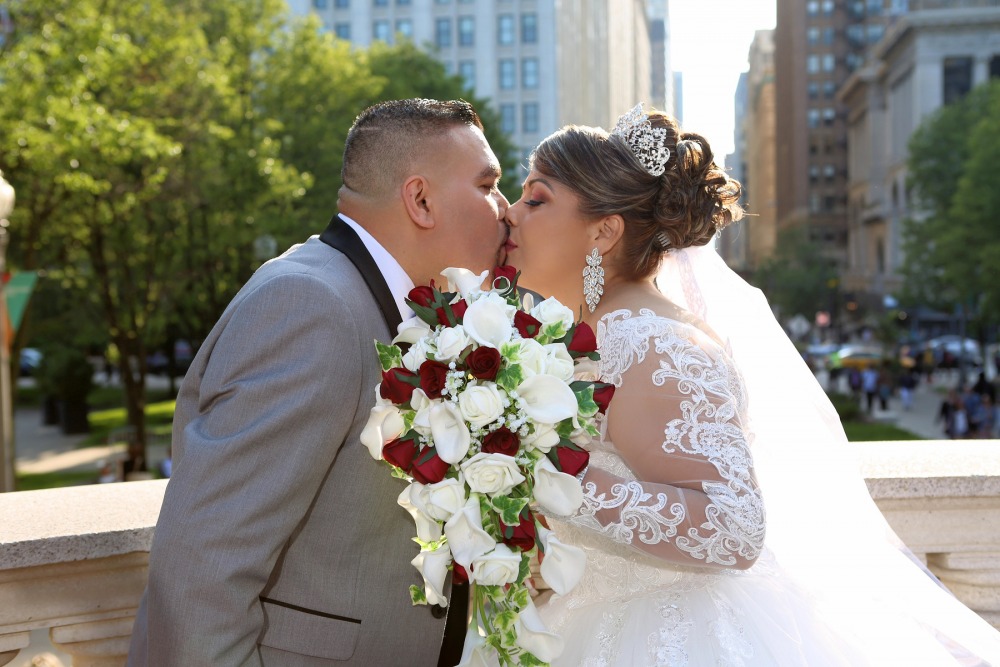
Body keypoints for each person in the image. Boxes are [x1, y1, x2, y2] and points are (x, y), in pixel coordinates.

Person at [500, 105, 1000, 665]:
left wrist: (540, 471)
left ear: (604, 231)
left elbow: (732, 526)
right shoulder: (599, 333)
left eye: (535, 199)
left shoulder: (647, 342)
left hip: (670, 635)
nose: (510, 213)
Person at [127, 99, 510, 666]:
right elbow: (203, 567)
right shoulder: (309, 305)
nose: (506, 208)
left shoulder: (395, 304)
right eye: (488, 184)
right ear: (421, 199)